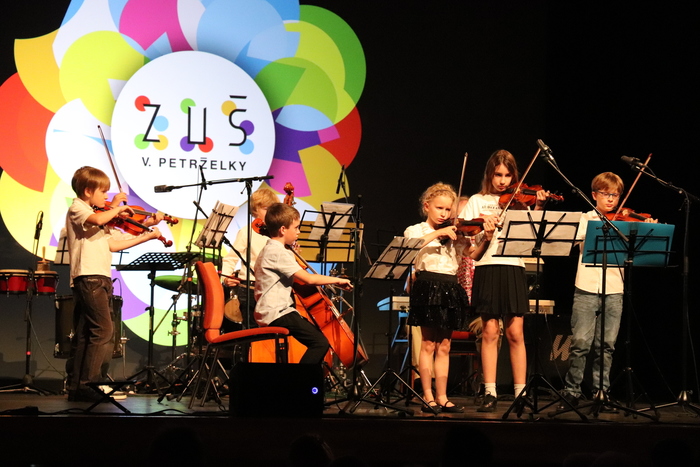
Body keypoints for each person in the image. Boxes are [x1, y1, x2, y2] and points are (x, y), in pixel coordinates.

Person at [558, 172, 656, 411]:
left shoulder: (624, 221)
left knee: (607, 346)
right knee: (580, 343)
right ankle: (571, 391)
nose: (611, 199)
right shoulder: (585, 219)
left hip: (614, 289)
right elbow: (567, 242)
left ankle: (601, 392)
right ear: (594, 195)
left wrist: (647, 229)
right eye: (605, 194)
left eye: (615, 195)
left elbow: (640, 247)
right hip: (586, 288)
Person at [459, 149, 549, 412]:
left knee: (515, 332)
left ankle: (521, 393)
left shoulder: (520, 201)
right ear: (490, 174)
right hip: (487, 266)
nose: (502, 181)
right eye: (498, 175)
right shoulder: (477, 200)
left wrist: (538, 207)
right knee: (490, 332)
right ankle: (490, 391)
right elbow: (466, 233)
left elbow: (533, 237)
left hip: (513, 265)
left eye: (507, 175)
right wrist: (484, 228)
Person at [66, 166, 163, 402]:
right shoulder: (78, 208)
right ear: (87, 191)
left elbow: (113, 244)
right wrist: (117, 207)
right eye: (103, 192)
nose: (106, 197)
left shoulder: (98, 214)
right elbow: (99, 218)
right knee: (103, 330)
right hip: (89, 277)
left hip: (99, 277)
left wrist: (147, 234)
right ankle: (89, 384)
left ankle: (79, 387)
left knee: (87, 333)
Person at [405, 183, 495, 413]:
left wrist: (486, 239)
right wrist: (439, 233)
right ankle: (427, 396)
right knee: (428, 344)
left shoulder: (457, 233)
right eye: (440, 208)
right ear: (427, 206)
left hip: (450, 287)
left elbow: (474, 255)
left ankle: (442, 396)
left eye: (448, 210)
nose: (444, 214)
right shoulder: (416, 230)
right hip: (427, 286)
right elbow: (411, 247)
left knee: (445, 345)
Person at [253, 202, 353, 365]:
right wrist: (338, 280)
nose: (299, 232)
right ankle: (298, 379)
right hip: (277, 313)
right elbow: (309, 279)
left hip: (274, 311)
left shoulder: (270, 249)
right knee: (320, 343)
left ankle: (303, 378)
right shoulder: (278, 252)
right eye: (296, 228)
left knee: (318, 339)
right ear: (283, 229)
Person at [221, 186, 279, 331]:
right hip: (250, 289)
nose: (270, 213)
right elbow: (230, 258)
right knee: (252, 331)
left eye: (273, 209)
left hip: (274, 289)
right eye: (266, 209)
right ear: (255, 211)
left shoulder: (279, 232)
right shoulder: (246, 232)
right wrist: (226, 278)